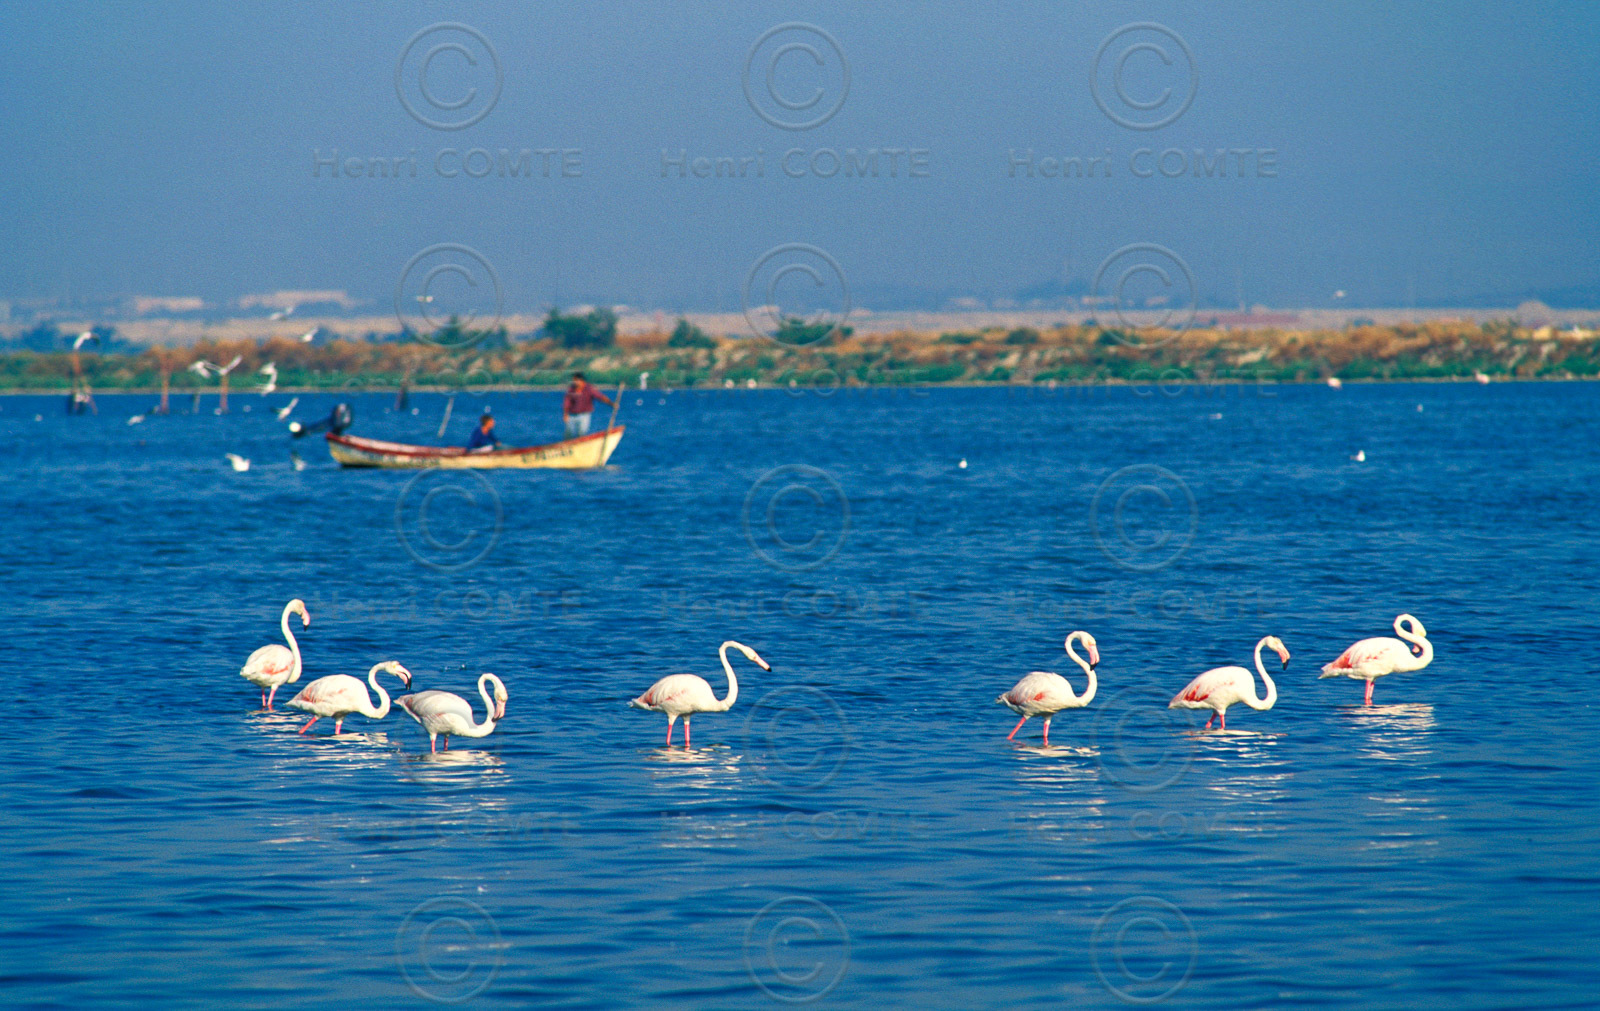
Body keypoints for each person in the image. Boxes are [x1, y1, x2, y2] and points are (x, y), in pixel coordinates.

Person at [562, 372, 614, 438]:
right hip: (572, 415)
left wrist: (611, 403)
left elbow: (600, 396)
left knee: (582, 433)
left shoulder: (589, 389)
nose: (574, 382)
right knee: (568, 434)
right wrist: (565, 414)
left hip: (584, 415)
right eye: (574, 380)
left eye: (576, 380)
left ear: (581, 381)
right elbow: (567, 402)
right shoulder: (571, 389)